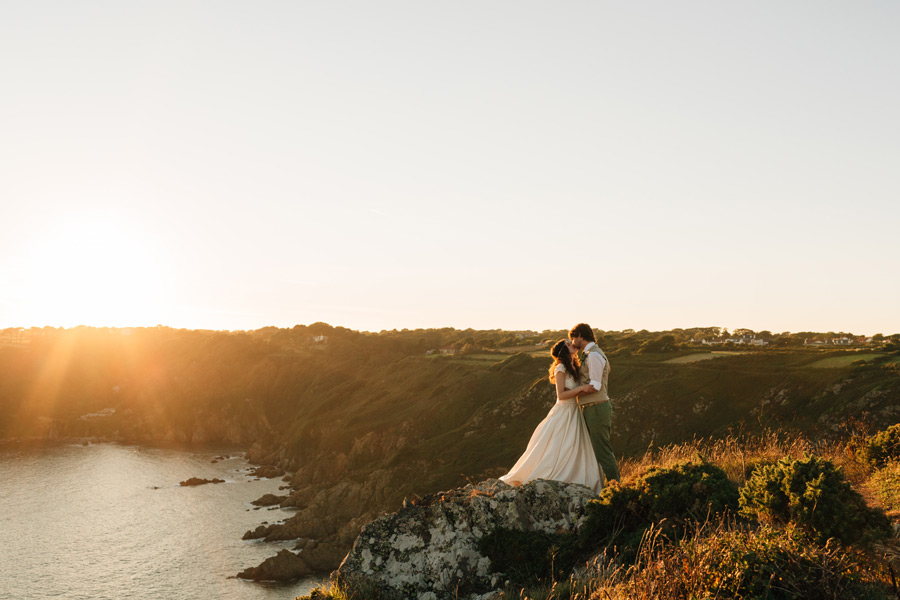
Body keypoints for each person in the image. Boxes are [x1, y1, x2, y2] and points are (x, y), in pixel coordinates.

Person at [499, 340, 603, 493]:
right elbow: (561, 395)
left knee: (576, 447)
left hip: (575, 411)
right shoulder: (560, 367)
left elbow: (574, 391)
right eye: (568, 344)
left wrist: (586, 390)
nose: (572, 344)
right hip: (564, 411)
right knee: (562, 447)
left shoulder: (573, 365)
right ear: (563, 351)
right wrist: (581, 388)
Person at [568, 323, 620, 483]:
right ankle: (602, 485)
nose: (572, 342)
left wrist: (573, 392)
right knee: (594, 450)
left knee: (602, 450)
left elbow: (596, 385)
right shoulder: (589, 353)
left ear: (581, 336)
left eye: (573, 338)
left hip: (596, 407)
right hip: (591, 407)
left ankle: (616, 487)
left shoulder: (594, 355)